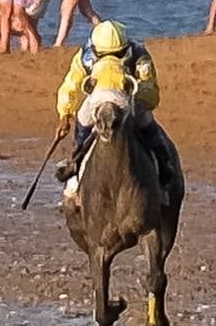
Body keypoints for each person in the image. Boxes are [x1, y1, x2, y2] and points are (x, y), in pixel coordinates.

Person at [54, 20, 179, 200]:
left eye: (118, 54)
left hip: (128, 99)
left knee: (147, 123)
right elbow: (71, 86)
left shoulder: (139, 55)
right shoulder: (85, 56)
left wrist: (140, 101)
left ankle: (163, 171)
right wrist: (65, 113)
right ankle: (75, 169)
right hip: (96, 100)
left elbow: (149, 86)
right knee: (82, 121)